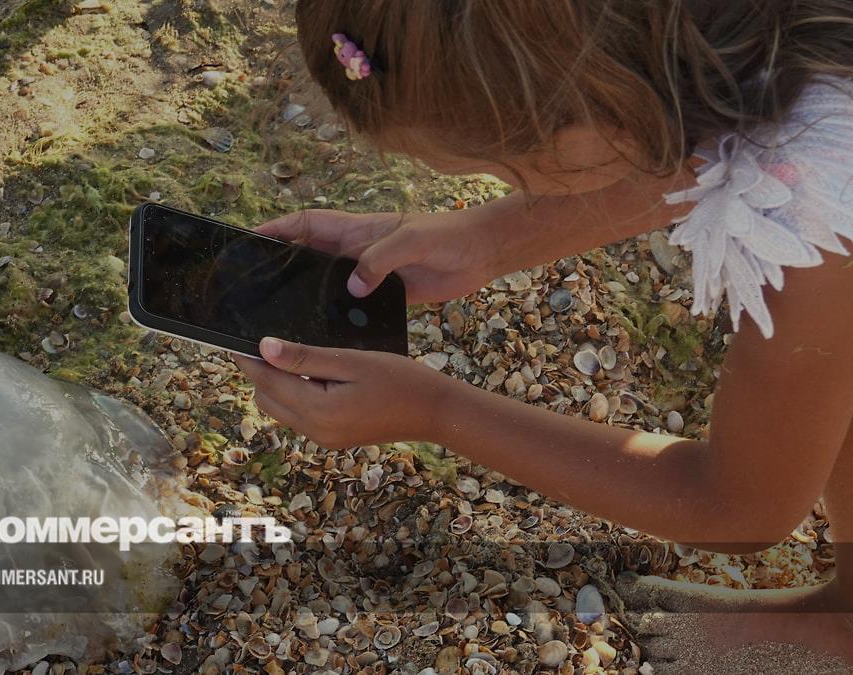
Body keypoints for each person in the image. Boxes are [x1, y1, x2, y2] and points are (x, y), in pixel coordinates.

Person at [234, 1, 853, 670]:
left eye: (506, 168)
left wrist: (434, 409)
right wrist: (486, 240)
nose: (504, 181)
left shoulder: (820, 221)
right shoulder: (734, 27)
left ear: (598, 116)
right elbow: (686, 145)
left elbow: (740, 507)